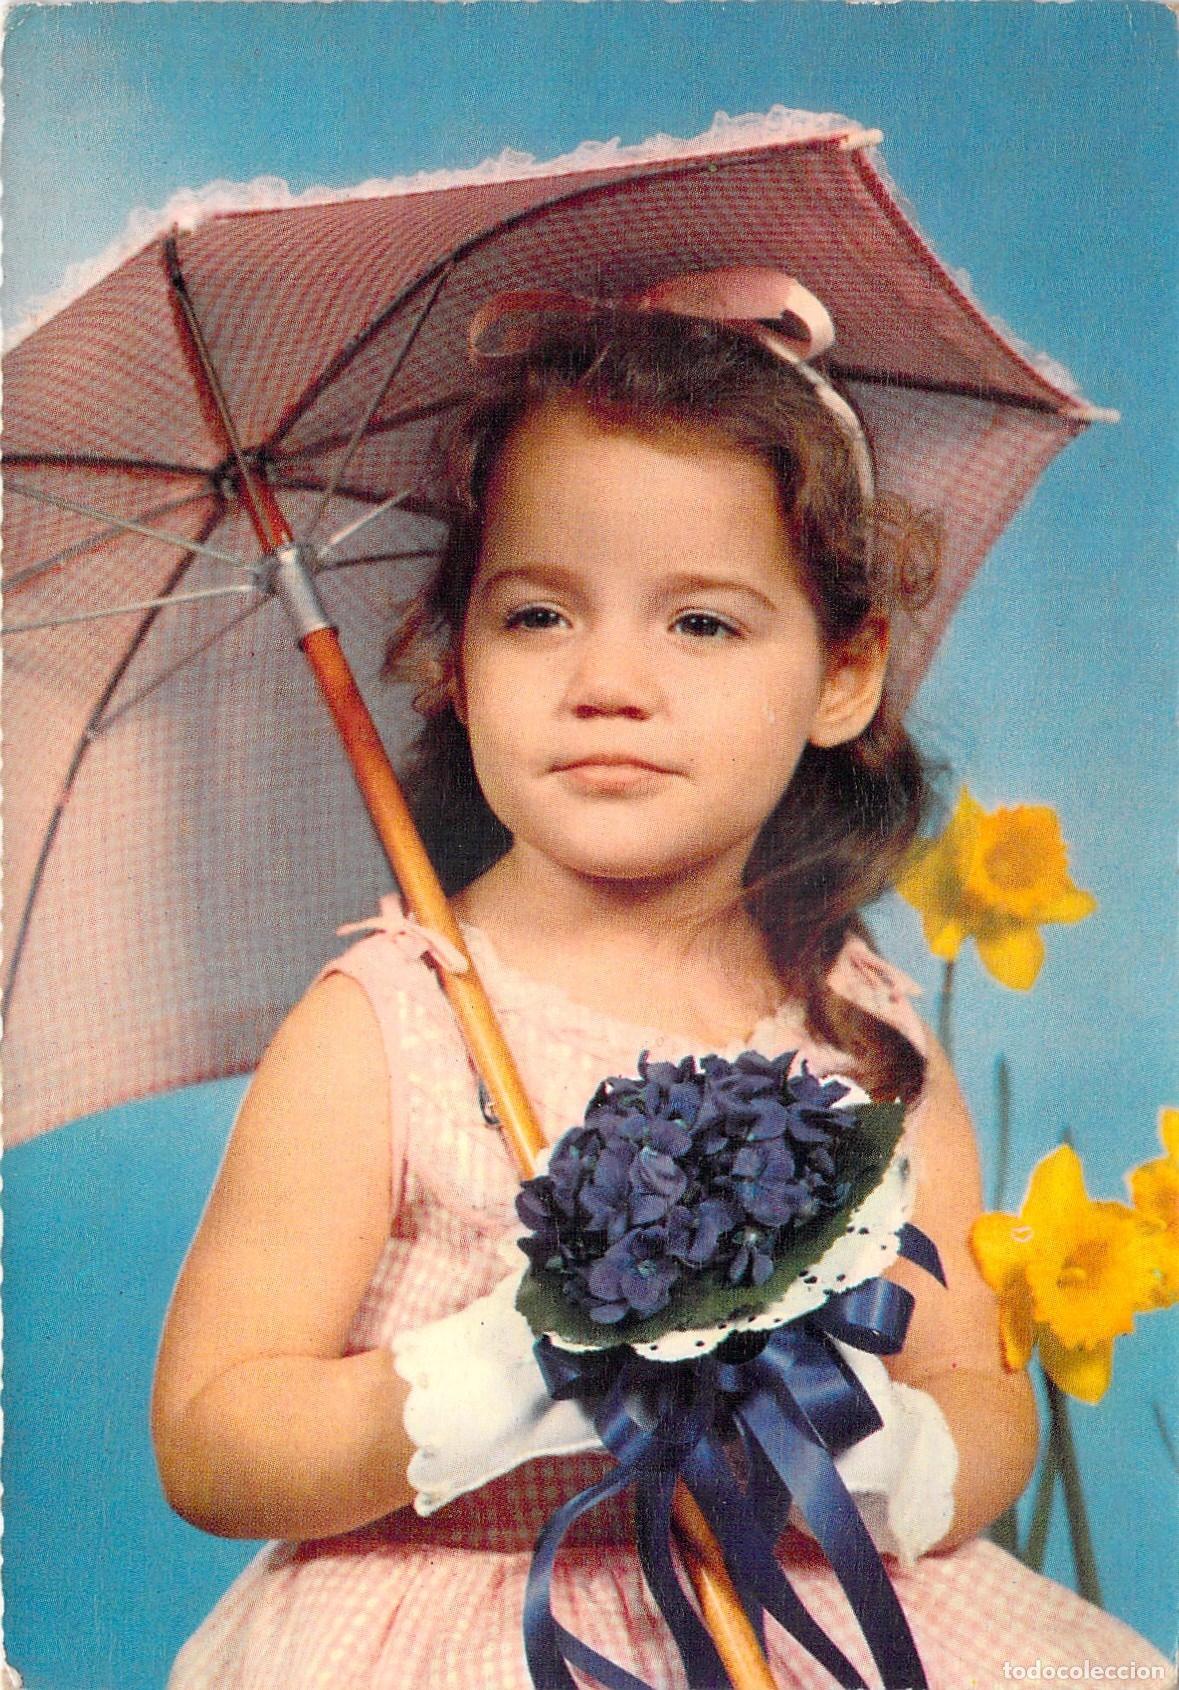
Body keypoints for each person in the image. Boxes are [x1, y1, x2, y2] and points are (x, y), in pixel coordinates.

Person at [155, 278, 1173, 1688]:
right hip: (467, 1635)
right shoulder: (390, 1023)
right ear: (454, 660)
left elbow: (979, 1393)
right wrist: (519, 1371)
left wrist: (878, 1456)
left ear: (844, 672)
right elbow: (213, 1439)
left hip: (806, 1621)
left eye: (701, 623)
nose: (609, 681)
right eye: (537, 615)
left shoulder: (863, 1035)